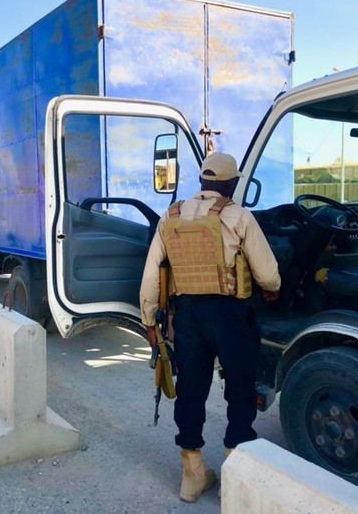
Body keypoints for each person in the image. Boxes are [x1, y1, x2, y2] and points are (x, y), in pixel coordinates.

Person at [139, 151, 281, 503]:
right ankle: (235, 472)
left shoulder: (170, 217)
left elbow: (150, 277)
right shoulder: (238, 216)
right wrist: (273, 289)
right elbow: (268, 275)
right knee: (240, 388)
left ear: (202, 182)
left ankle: (192, 476)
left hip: (186, 317)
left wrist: (149, 321)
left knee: (190, 390)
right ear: (230, 184)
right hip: (230, 316)